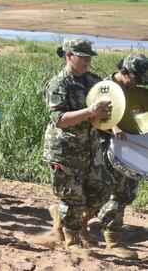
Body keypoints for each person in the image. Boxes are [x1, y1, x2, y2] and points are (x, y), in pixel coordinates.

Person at [42, 38, 112, 255]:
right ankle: (72, 241)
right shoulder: (58, 83)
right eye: (81, 57)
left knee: (103, 190)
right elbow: (60, 119)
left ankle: (68, 220)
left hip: (90, 147)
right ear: (68, 56)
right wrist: (90, 111)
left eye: (89, 57)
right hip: (65, 149)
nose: (86, 61)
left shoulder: (94, 81)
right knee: (73, 196)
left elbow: (110, 104)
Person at [93, 53, 148, 258]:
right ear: (123, 72)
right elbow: (96, 114)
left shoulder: (140, 92)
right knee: (118, 195)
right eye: (134, 79)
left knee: (122, 195)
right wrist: (113, 126)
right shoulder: (105, 88)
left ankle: (66, 217)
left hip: (131, 149)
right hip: (106, 149)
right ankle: (112, 242)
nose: (136, 84)